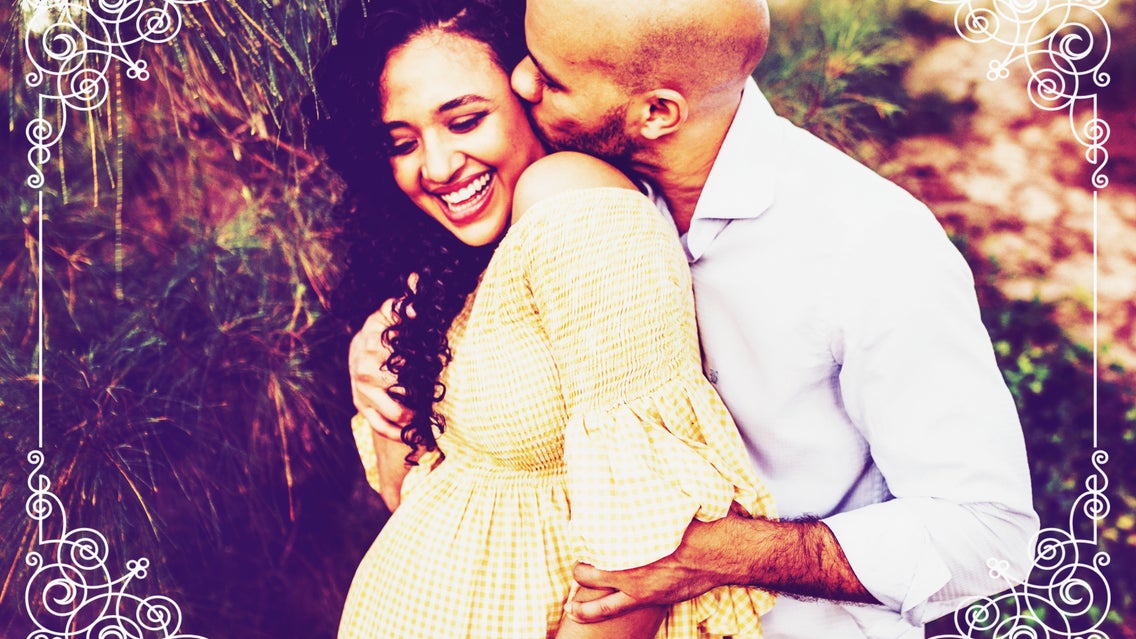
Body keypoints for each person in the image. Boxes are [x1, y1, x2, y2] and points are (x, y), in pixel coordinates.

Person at [349, 0, 1041, 637]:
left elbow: (988, 535)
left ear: (656, 112)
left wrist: (720, 553)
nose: (522, 82)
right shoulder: (572, 185)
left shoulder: (868, 243)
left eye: (552, 79)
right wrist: (382, 349)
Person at [315, 0, 776, 637]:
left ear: (530, 91)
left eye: (466, 121)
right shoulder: (465, 258)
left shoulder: (572, 198)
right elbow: (412, 495)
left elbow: (642, 546)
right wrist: (379, 353)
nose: (436, 166)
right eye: (403, 142)